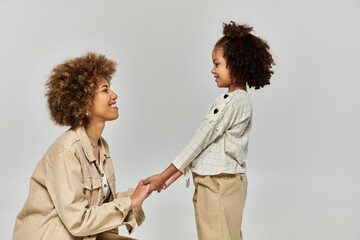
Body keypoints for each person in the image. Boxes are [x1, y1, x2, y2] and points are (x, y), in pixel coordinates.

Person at [142, 21, 275, 240]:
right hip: (225, 183)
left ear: (235, 64)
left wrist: (162, 176)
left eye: (217, 64)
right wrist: (172, 177)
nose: (213, 70)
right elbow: (206, 146)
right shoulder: (242, 101)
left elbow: (199, 140)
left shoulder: (230, 102)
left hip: (217, 186)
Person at [13, 53, 150, 240]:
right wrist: (130, 202)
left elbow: (99, 207)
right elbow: (78, 221)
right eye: (105, 90)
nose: (114, 95)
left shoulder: (102, 147)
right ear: (84, 101)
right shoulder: (68, 150)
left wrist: (137, 194)